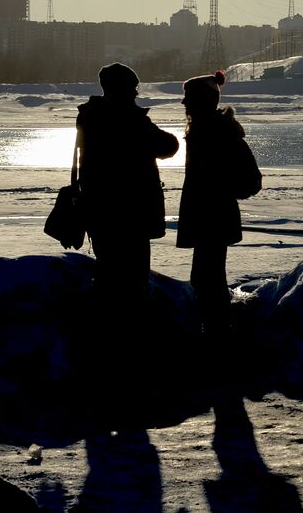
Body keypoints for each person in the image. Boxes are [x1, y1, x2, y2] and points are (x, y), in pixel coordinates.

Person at [74, 62, 179, 421]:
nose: (137, 92)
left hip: (101, 212)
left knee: (108, 275)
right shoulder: (126, 118)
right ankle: (127, 358)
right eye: (133, 86)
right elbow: (167, 146)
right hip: (129, 213)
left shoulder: (90, 116)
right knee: (131, 282)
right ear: (122, 88)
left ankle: (101, 351)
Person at [177, 70, 262, 344]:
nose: (185, 105)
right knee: (207, 277)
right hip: (211, 216)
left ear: (203, 101)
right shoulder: (210, 130)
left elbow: (251, 180)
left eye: (189, 99)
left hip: (211, 217)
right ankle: (216, 333)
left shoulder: (215, 133)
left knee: (207, 279)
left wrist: (219, 192)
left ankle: (217, 337)